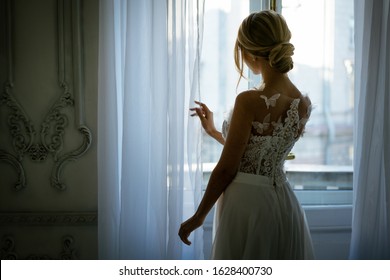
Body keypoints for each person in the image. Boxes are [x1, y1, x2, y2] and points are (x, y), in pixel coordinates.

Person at [178, 10, 314, 259]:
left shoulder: (249, 100)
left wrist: (199, 217)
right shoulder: (302, 103)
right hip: (283, 204)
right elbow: (257, 151)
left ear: (250, 53)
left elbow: (228, 168)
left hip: (248, 205)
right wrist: (214, 132)